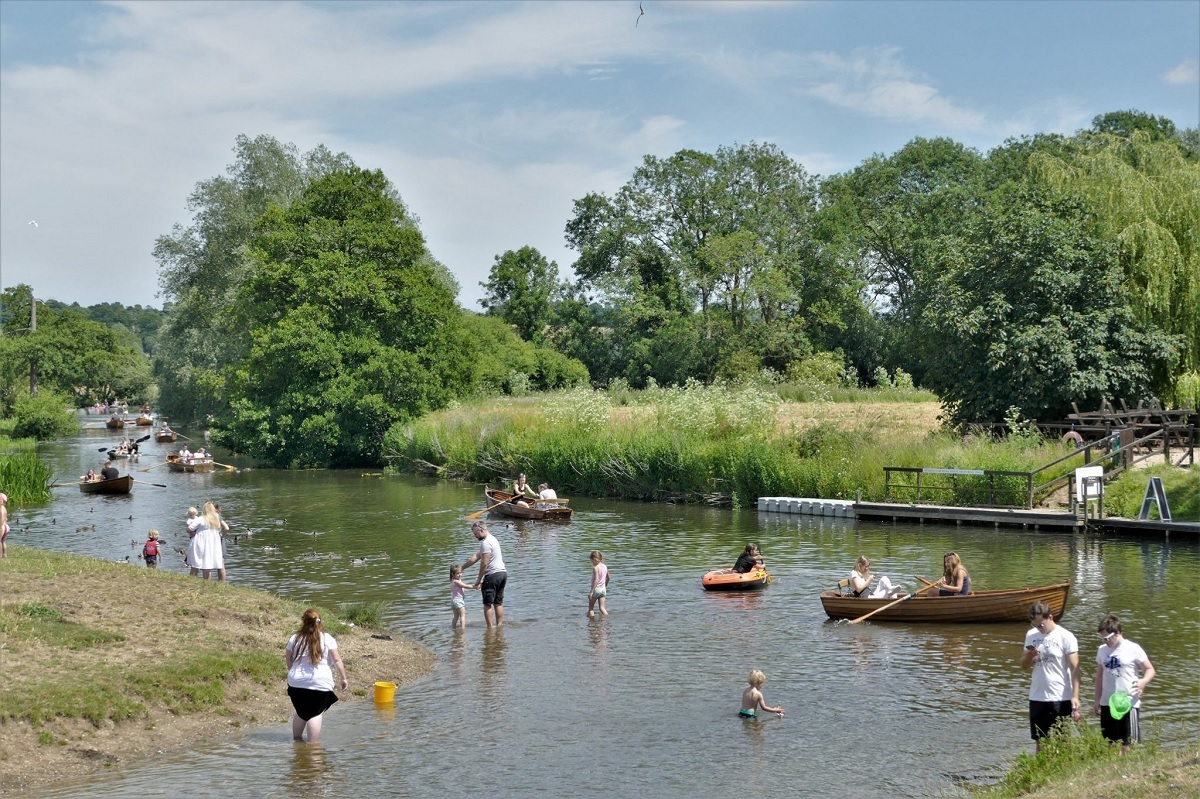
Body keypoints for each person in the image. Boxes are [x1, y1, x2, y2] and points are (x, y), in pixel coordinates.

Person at [1021, 601, 1081, 752]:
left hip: (1060, 697)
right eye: (1035, 625)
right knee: (1040, 741)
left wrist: (1075, 696)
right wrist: (1029, 655)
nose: (1038, 629)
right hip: (1037, 696)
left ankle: (1063, 771)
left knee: (1063, 739)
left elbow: (1075, 668)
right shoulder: (1031, 635)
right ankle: (1041, 771)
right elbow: (1023, 665)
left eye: (1041, 625)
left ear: (1050, 618)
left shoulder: (1066, 636)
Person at [285, 608, 348, 743]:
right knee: (315, 713)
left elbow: (289, 660)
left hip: (296, 682)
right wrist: (343, 678)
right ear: (319, 622)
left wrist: (293, 674)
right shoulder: (327, 638)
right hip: (320, 683)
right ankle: (313, 748)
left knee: (301, 712)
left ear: (303, 621)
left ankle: (297, 742)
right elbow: (336, 660)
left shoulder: (294, 638)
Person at [1093, 614, 1156, 748]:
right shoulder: (1102, 650)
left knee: (1127, 742)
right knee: (1109, 741)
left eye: (1107, 638)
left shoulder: (1133, 648)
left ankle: (1127, 766)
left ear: (1117, 633)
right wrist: (1097, 699)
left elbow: (1150, 669)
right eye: (1102, 638)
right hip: (1107, 702)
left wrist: (1143, 682)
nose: (1105, 642)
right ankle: (1111, 767)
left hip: (1128, 701)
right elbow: (1099, 676)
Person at [462, 521, 507, 628]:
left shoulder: (486, 543)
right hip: (502, 573)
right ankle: (499, 627)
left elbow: (484, 563)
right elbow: (477, 557)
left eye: (476, 534)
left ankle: (490, 629)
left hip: (492, 575)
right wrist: (462, 567)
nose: (475, 536)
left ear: (481, 530)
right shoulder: (493, 539)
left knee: (487, 604)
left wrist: (478, 579)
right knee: (498, 602)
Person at [188, 502, 227, 581]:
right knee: (208, 564)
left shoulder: (201, 518)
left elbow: (189, 528)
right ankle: (207, 582)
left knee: (196, 562)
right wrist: (222, 536)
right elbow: (225, 528)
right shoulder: (216, 519)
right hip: (214, 543)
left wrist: (192, 533)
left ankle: (191, 580)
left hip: (201, 542)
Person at [587, 550, 610, 618]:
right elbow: (608, 577)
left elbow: (596, 579)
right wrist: (605, 584)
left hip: (596, 589)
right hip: (603, 589)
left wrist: (591, 591)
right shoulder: (604, 566)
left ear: (594, 559)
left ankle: (591, 623)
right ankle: (606, 620)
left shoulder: (596, 568)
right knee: (602, 608)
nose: (592, 563)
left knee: (591, 608)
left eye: (592, 561)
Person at [0, 492, 8, 559]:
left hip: (2, 526)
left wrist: (0, 526)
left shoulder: (1, 509)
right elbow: (6, 518)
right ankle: (4, 554)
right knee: (3, 541)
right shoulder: (4, 508)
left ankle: (0, 554)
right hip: (6, 526)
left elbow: (2, 518)